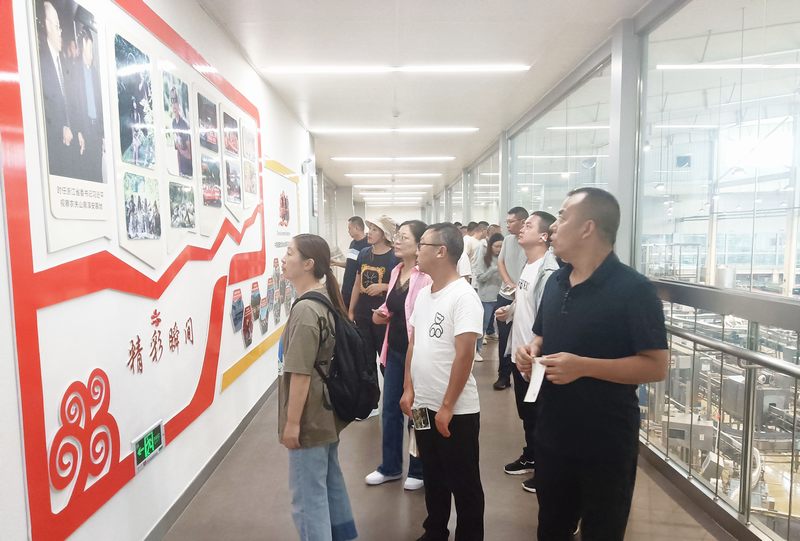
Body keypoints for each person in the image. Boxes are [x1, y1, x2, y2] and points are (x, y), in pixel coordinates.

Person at [516, 188, 668, 540]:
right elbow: (541, 336)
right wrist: (531, 351)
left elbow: (656, 366)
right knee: (551, 525)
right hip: (553, 428)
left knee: (602, 528)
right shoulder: (556, 282)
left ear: (588, 227)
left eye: (563, 216)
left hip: (606, 437)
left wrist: (583, 366)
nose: (554, 226)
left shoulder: (634, 290)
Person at [400, 223, 485, 541]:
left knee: (464, 482)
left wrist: (447, 406)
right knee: (433, 474)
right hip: (423, 406)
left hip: (456, 410)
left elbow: (464, 355)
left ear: (441, 251)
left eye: (422, 244)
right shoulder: (424, 294)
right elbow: (414, 343)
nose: (416, 250)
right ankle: (435, 530)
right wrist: (408, 388)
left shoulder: (464, 296)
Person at [278, 234, 358, 541]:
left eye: (289, 253)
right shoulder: (323, 298)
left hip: (310, 416)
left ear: (308, 264)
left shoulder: (306, 310)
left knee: (307, 497)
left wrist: (292, 424)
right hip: (326, 411)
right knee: (330, 481)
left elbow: (300, 373)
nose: (284, 259)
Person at [494, 212, 558, 493]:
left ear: (544, 236)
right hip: (519, 353)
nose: (521, 228)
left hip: (536, 359)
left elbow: (548, 318)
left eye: (528, 225)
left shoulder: (549, 272)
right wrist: (509, 311)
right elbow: (527, 305)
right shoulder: (528, 266)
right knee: (527, 412)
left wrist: (537, 354)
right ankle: (531, 455)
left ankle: (545, 469)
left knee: (540, 414)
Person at [365, 220, 430, 491]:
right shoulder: (396, 271)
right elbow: (392, 306)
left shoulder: (426, 276)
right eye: (397, 236)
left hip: (419, 355)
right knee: (390, 409)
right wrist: (382, 313)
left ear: (419, 244)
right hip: (395, 351)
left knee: (418, 412)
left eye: (404, 237)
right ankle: (390, 467)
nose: (397, 241)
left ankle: (419, 468)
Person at [348, 215, 398, 360]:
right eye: (370, 228)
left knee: (385, 359)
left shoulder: (395, 257)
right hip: (362, 313)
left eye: (375, 229)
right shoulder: (364, 253)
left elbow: (405, 286)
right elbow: (357, 284)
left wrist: (385, 286)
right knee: (365, 359)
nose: (369, 232)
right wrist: (351, 311)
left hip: (384, 316)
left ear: (384, 234)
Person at [493, 207, 529, 390]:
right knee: (504, 336)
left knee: (524, 336)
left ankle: (523, 375)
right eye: (506, 222)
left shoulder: (530, 242)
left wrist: (519, 288)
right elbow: (500, 262)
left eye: (511, 221)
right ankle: (503, 375)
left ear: (523, 222)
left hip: (524, 296)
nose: (507, 225)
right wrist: (509, 283)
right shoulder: (507, 240)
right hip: (506, 295)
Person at [474, 233, 504, 356]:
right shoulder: (484, 258)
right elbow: (479, 278)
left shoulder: (503, 258)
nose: (499, 249)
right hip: (486, 297)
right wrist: (493, 270)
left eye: (501, 246)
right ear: (490, 246)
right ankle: (477, 350)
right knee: (482, 325)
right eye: (496, 246)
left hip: (500, 296)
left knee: (499, 326)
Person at [333, 216, 369, 310]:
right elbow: (351, 264)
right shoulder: (353, 243)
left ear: (357, 228)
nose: (348, 231)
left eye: (350, 228)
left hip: (357, 289)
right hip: (347, 287)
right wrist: (336, 263)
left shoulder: (368, 245)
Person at [170, 86, 193, 177]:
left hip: (189, 166)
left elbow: (189, 154)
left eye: (176, 103)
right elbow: (177, 150)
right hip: (182, 167)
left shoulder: (184, 124)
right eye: (173, 103)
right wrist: (179, 170)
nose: (174, 106)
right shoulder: (173, 123)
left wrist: (180, 149)